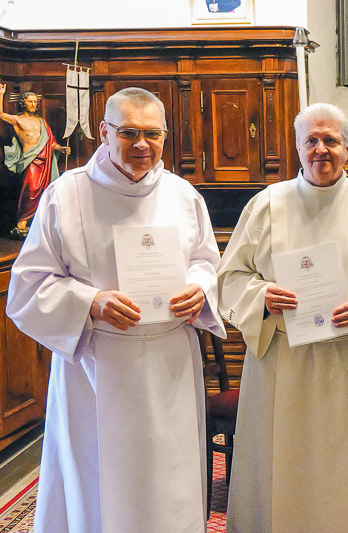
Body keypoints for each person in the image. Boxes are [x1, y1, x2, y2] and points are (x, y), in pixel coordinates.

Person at [7, 87, 224, 533]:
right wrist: (90, 302)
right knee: (99, 480)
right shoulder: (66, 195)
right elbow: (28, 286)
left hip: (169, 362)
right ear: (104, 132)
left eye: (152, 134)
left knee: (170, 478)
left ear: (165, 136)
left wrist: (200, 288)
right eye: (128, 133)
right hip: (97, 364)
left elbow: (206, 261)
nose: (141, 144)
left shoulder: (184, 195)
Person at [217, 102, 348, 533]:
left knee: (345, 466)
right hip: (281, 360)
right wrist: (261, 296)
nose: (321, 149)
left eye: (330, 140)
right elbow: (229, 277)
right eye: (311, 140)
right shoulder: (266, 205)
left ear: (347, 148)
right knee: (279, 463)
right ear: (297, 147)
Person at [0, 82, 70, 238]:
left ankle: (37, 222)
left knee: (45, 191)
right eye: (30, 101)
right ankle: (22, 223)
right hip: (30, 160)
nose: (33, 104)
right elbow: (1, 114)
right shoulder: (18, 120)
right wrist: (1, 94)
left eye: (35, 102)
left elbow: (50, 143)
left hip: (45, 160)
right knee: (30, 190)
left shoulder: (42, 122)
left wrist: (61, 148)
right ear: (23, 103)